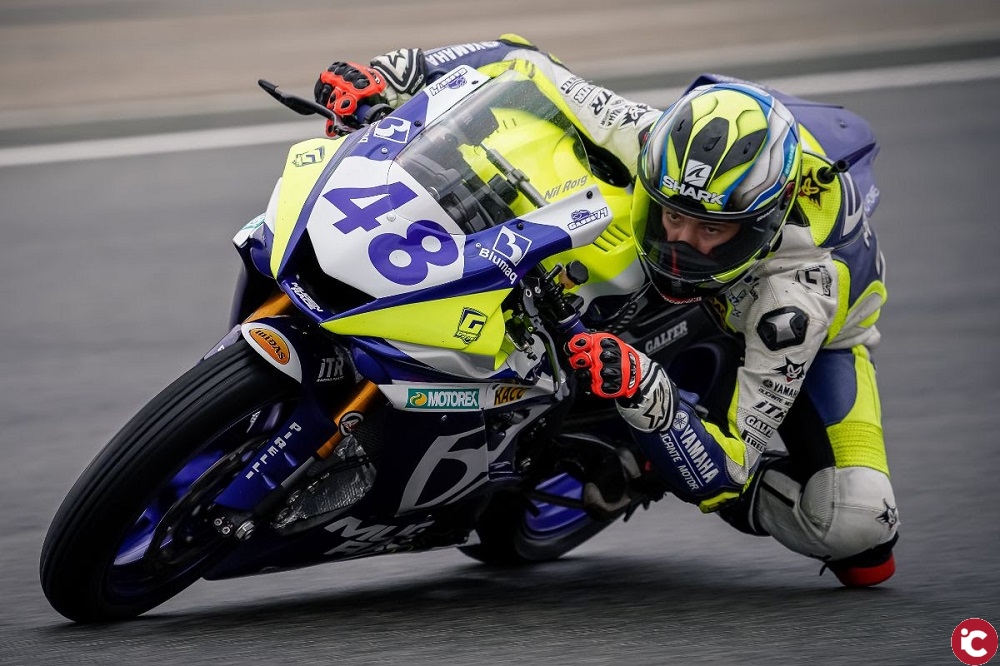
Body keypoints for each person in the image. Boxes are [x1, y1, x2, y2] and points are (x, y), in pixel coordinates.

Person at [312, 35, 899, 587]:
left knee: (856, 532)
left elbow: (730, 467)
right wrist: (395, 71)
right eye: (672, 215)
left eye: (710, 230)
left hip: (802, 335)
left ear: (759, 225)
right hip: (708, 228)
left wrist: (649, 394)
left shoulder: (792, 304)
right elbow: (522, 62)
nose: (681, 241)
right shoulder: (648, 138)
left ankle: (643, 461)